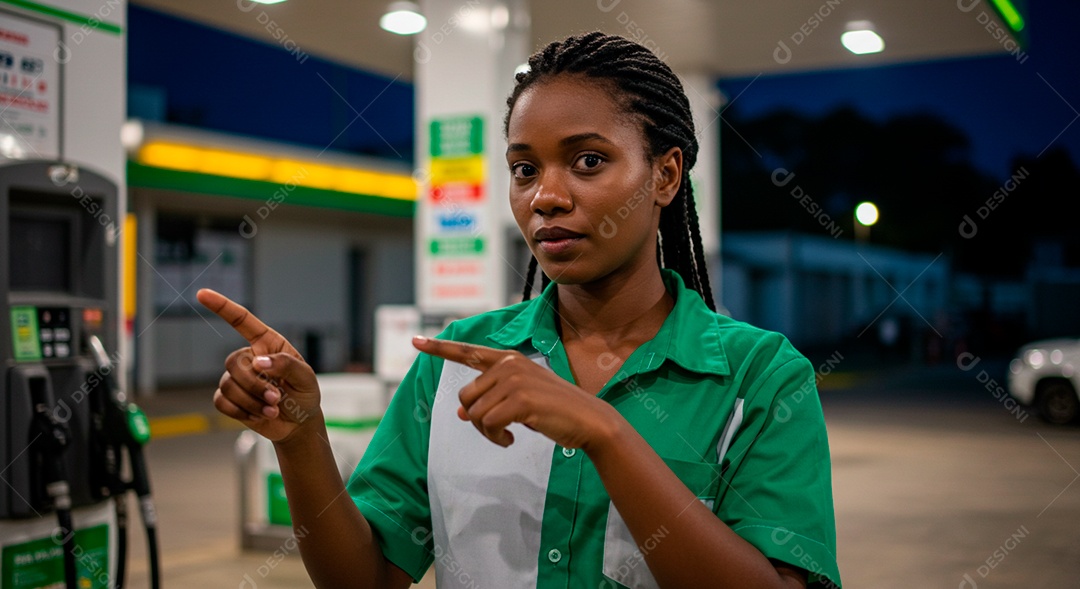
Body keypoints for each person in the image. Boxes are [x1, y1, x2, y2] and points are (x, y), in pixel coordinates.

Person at [198, 32, 841, 589]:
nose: (546, 197)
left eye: (588, 161)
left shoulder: (760, 377)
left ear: (665, 176)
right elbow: (364, 579)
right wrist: (302, 441)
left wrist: (607, 434)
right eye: (524, 169)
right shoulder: (454, 365)